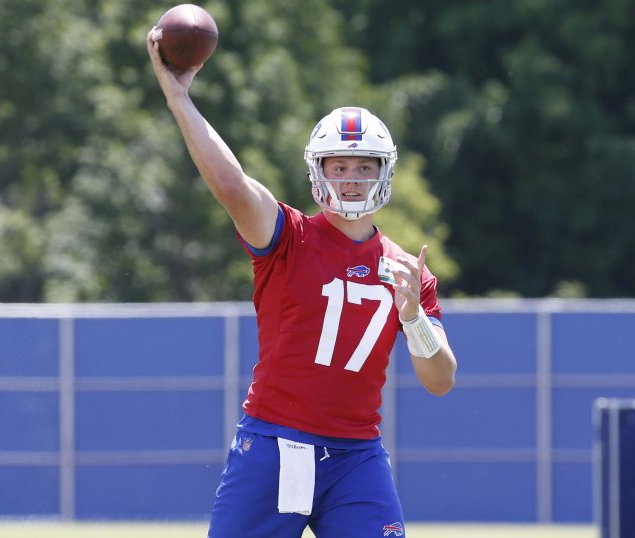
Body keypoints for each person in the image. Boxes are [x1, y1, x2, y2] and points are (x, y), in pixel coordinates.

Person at [147, 27, 457, 538]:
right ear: (319, 172)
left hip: (356, 457)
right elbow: (231, 184)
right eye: (340, 166)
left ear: (384, 172)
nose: (352, 178)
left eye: (364, 166)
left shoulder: (407, 270)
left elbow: (441, 380)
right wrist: (178, 96)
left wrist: (413, 316)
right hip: (274, 445)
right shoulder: (289, 236)